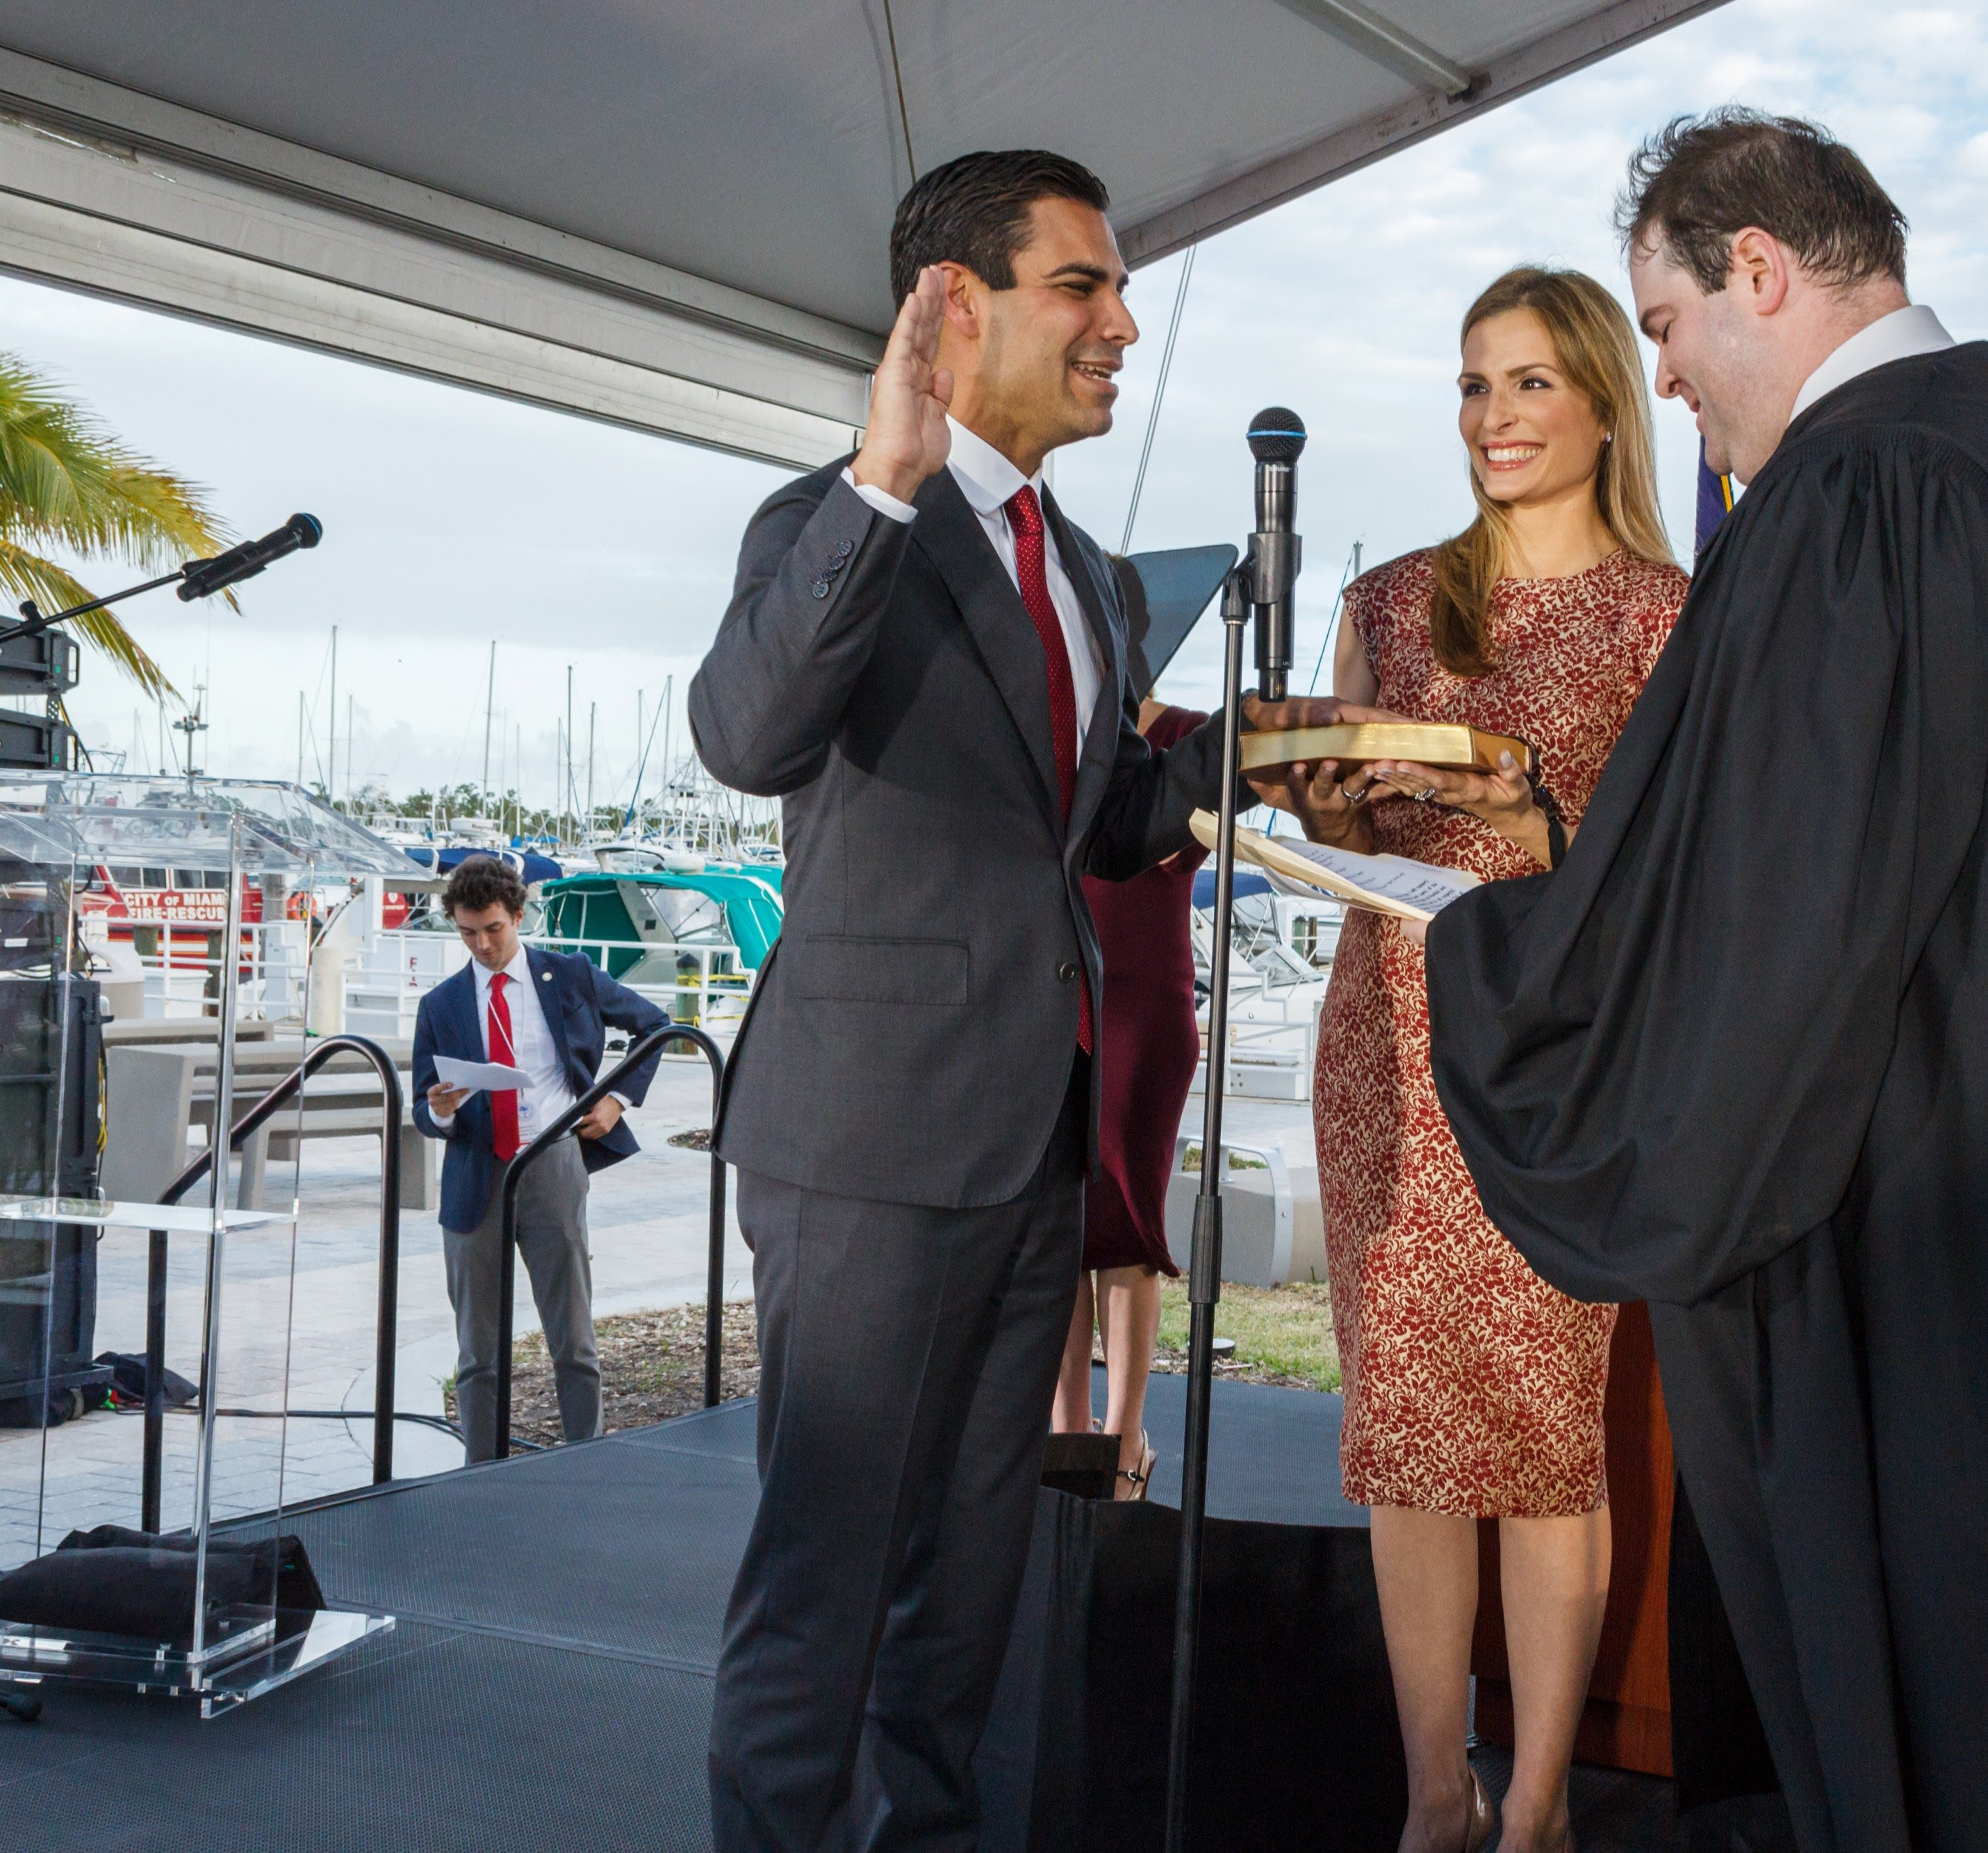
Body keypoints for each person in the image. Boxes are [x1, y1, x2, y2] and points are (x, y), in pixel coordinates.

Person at [1418, 111, 1988, 1852]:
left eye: (1667, 320)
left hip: (1949, 1249)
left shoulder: (1865, 490)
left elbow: (1772, 918)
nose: (1670, 376)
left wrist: (1486, 950)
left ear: (1754, 269)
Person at [688, 149, 1333, 1851]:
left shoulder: (1099, 578)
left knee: (972, 1588)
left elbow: (1108, 821)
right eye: (1085, 285)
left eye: (1120, 289)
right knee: (824, 1576)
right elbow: (744, 735)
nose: (1121, 320)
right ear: (950, 307)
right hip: (869, 1141)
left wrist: (1262, 760)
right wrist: (882, 480)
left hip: (1034, 1142)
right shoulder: (833, 523)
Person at [1272, 264, 1686, 1853]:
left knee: (1538, 1429)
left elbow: (1678, 867)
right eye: (1470, 384)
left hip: (1551, 1064)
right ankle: (1431, 1793)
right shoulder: (1388, 598)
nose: (1491, 416)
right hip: (1384, 1045)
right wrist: (1305, 788)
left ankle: (1535, 1805)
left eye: (1523, 383)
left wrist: (1543, 825)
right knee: (1404, 1432)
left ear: (1598, 399)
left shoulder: (1664, 614)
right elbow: (1337, 823)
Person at [410, 854, 669, 1463]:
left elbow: (655, 1025)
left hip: (552, 1163)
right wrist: (441, 1108)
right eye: (468, 933)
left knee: (572, 1334)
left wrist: (617, 1099)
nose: (482, 945)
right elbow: (424, 1112)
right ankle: (481, 1469)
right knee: (478, 1348)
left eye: (494, 929)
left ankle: (587, 1458)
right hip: (476, 1173)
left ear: (519, 917)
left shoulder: (570, 975)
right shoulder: (441, 1006)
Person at [1051, 580, 1206, 1499]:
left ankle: (1124, 1437)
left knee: (1129, 1230)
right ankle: (1065, 1432)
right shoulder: (1053, 730)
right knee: (1062, 1224)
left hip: (1146, 1009)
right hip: (1061, 998)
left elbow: (1162, 845)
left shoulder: (1182, 733)